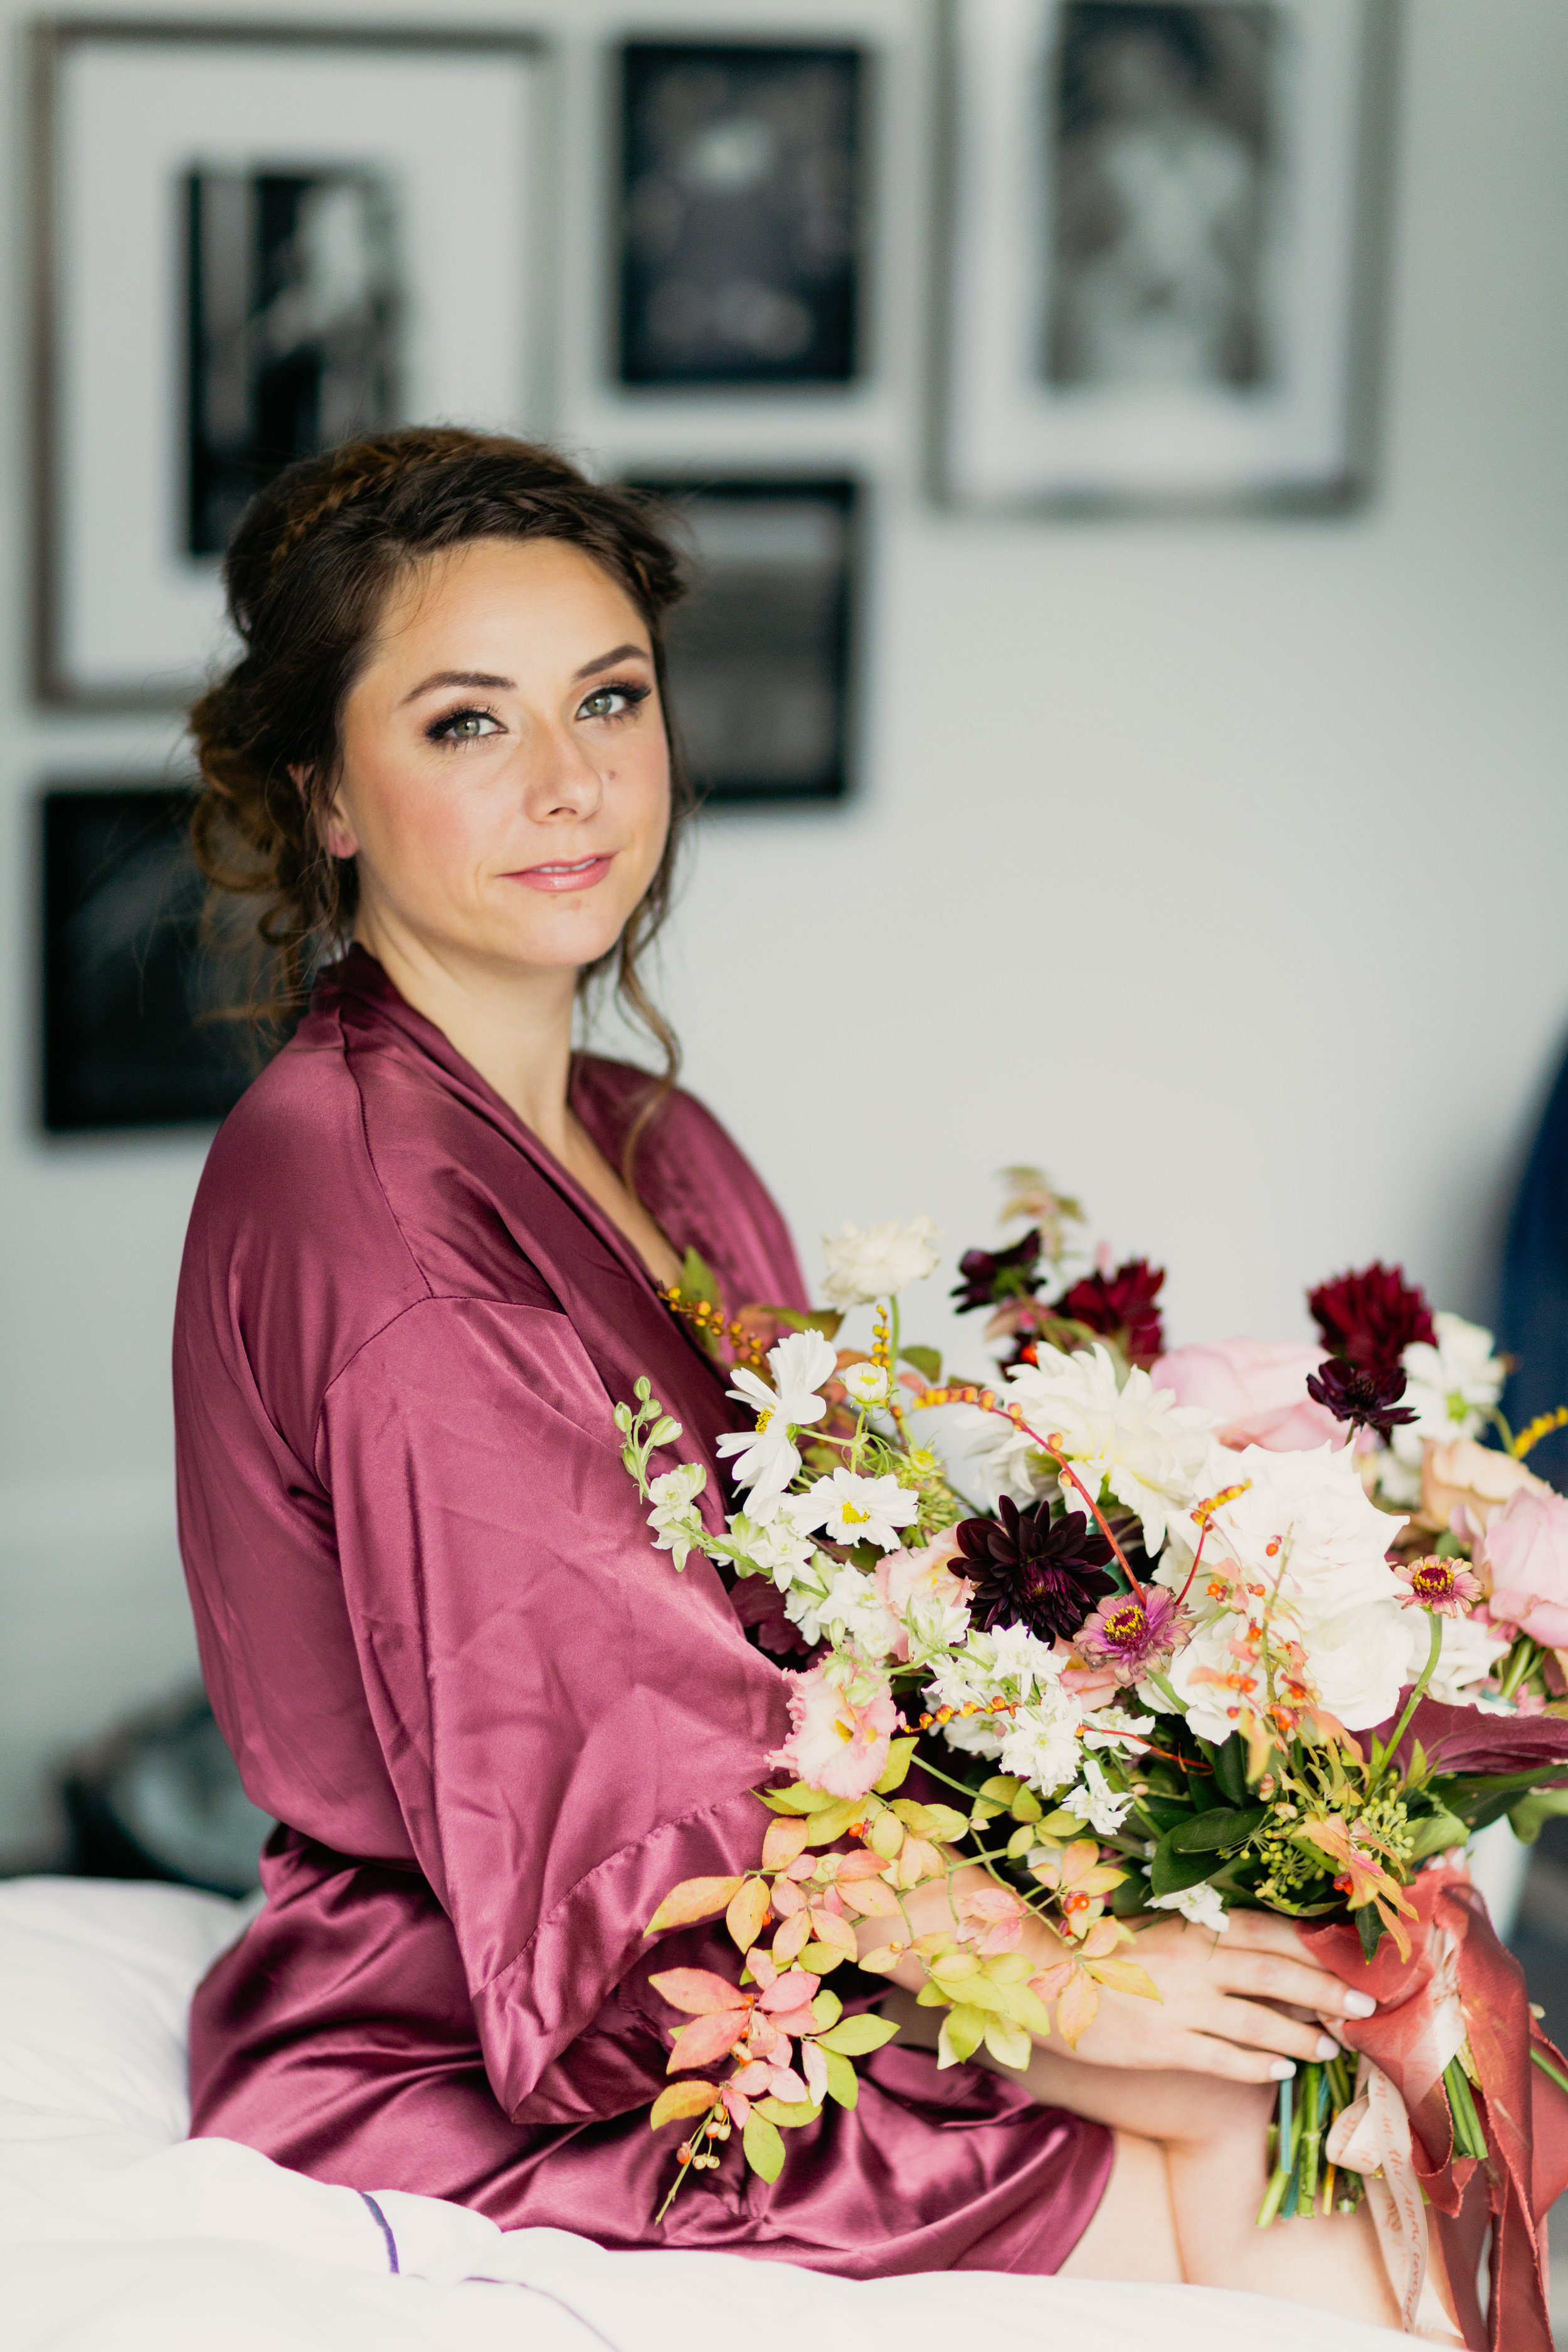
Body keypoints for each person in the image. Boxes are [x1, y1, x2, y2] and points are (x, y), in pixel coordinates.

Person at [174, 426, 1423, 2329]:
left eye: (609, 698)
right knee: (1280, 2144)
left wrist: (1115, 1824)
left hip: (793, 1909)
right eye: (463, 725)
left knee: (1352, 2060)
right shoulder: (362, 1201)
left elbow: (823, 1625)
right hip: (485, 2014)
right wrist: (1055, 1988)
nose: (570, 778)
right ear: (323, 795)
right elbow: (594, 1772)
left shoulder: (649, 1138)